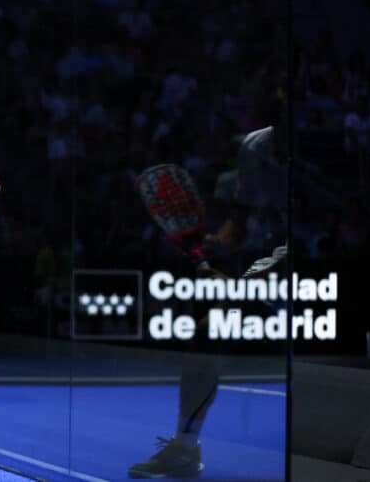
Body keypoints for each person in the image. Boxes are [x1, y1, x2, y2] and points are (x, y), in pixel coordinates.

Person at [128, 124, 287, 479]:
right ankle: (184, 449)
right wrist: (215, 242)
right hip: (274, 257)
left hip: (310, 257)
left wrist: (236, 287)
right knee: (205, 335)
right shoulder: (256, 145)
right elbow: (239, 220)